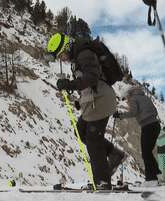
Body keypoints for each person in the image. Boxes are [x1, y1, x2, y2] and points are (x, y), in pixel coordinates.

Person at [47, 33, 125, 189]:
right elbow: (87, 84)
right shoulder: (78, 56)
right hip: (94, 101)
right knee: (80, 131)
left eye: (61, 54)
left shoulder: (84, 53)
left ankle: (102, 182)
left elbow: (91, 78)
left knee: (93, 139)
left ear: (66, 47)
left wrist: (69, 84)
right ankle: (114, 154)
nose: (62, 58)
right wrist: (79, 100)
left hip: (102, 100)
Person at [113, 86, 161, 186]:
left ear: (127, 94)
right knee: (148, 152)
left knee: (146, 153)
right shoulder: (145, 97)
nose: (126, 101)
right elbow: (154, 111)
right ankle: (158, 176)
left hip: (147, 126)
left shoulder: (133, 99)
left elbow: (133, 112)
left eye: (125, 98)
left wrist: (120, 115)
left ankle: (151, 179)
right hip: (155, 125)